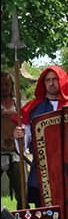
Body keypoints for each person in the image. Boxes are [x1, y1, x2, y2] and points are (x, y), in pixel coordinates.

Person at [12, 66, 68, 208]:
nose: (51, 83)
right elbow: (25, 141)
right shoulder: (32, 109)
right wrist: (18, 136)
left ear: (62, 81)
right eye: (48, 80)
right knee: (44, 216)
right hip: (42, 171)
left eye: (55, 79)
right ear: (43, 83)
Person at [1, 71, 26, 210]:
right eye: (1, 85)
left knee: (23, 195)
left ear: (11, 85)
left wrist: (13, 115)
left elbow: (29, 124)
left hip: (16, 155)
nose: (4, 88)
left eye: (7, 84)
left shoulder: (20, 105)